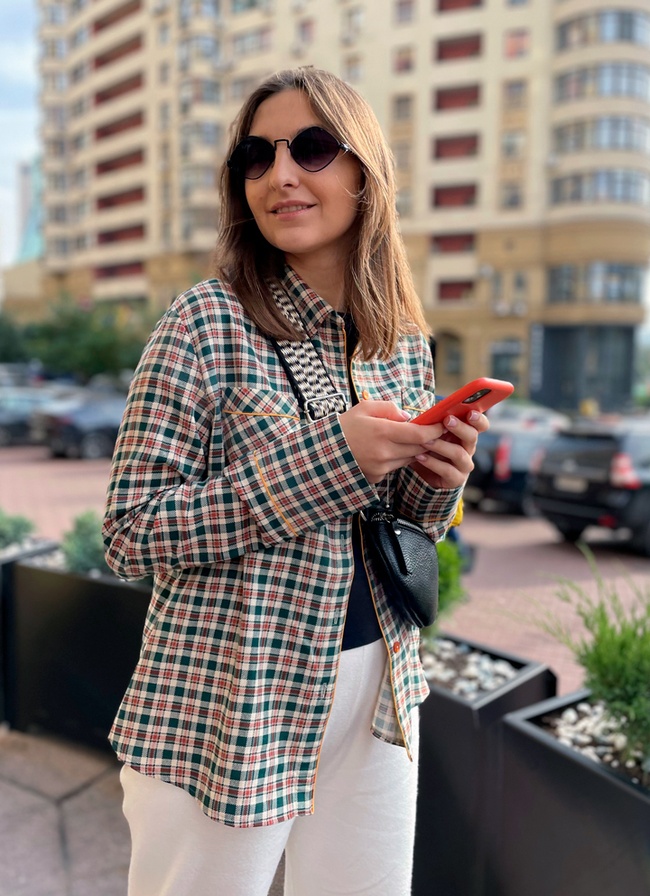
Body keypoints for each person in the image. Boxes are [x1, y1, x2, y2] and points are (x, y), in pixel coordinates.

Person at [103, 66, 488, 896]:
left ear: (363, 170)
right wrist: (332, 460)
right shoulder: (204, 322)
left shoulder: (399, 342)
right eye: (256, 156)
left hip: (379, 695)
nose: (281, 175)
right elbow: (132, 532)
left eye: (312, 148)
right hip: (228, 704)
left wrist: (434, 482)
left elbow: (396, 529)